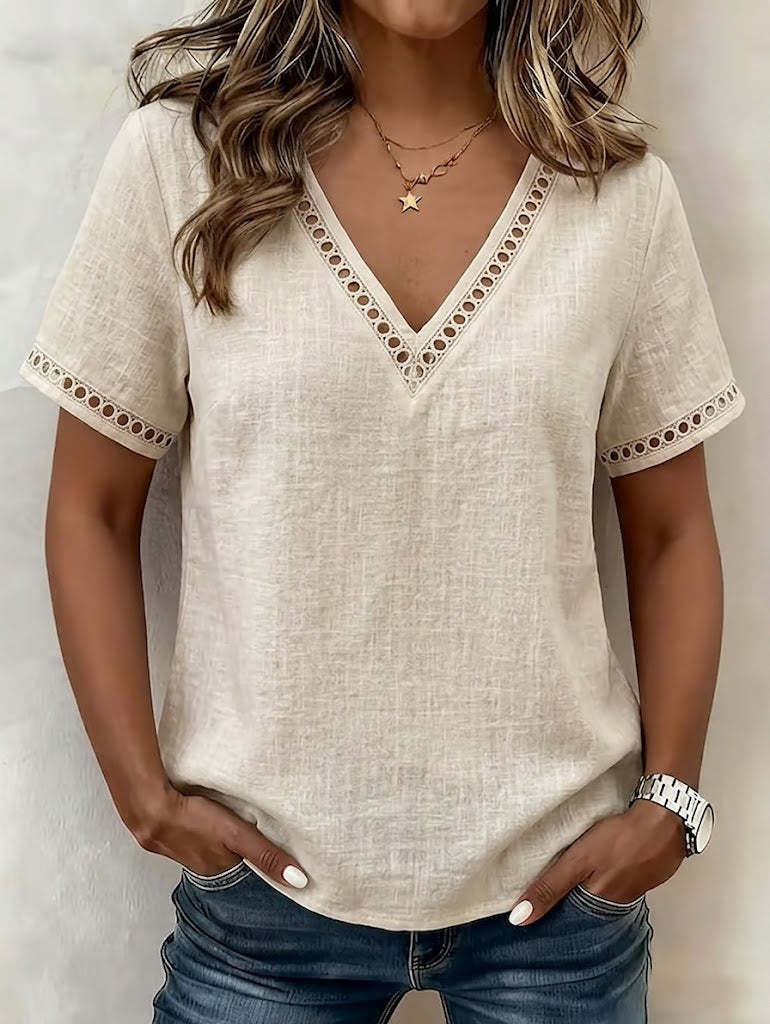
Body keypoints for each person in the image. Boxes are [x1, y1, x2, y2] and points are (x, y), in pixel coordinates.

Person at [19, 1, 747, 1021]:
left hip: (561, 906)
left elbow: (670, 532)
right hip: (261, 909)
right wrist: (141, 796)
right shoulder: (187, 165)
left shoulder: (616, 195)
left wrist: (669, 805)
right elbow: (90, 506)